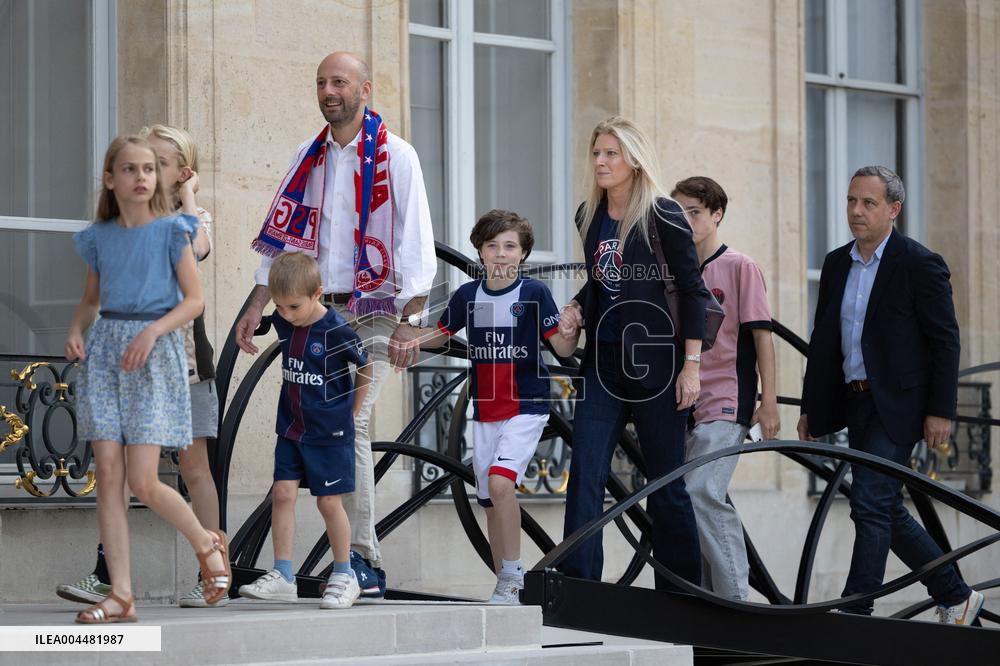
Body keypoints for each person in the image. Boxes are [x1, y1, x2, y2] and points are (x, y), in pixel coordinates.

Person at [236, 52, 436, 597]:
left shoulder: (397, 156)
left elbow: (415, 244)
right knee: (311, 423)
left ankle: (361, 563)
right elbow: (284, 243)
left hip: (373, 310)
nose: (329, 90)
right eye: (322, 81)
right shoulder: (310, 155)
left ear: (364, 89)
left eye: (339, 81)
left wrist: (410, 322)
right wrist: (258, 303)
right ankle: (299, 565)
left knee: (354, 424)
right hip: (314, 312)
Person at [797, 165, 984, 624]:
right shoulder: (838, 263)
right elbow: (823, 342)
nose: (856, 212)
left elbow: (945, 341)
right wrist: (811, 410)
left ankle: (856, 607)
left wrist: (941, 410)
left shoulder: (919, 263)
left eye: (868, 203)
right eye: (851, 201)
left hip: (900, 406)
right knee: (882, 505)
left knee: (871, 502)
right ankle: (957, 597)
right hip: (855, 402)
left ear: (893, 209)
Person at [56, 124, 225, 609]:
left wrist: (152, 331)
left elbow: (194, 301)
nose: (141, 177)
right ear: (110, 179)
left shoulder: (175, 230)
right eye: (130, 169)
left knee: (143, 481)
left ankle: (205, 543)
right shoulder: (98, 238)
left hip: (155, 354)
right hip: (106, 355)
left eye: (149, 169)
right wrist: (74, 329)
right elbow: (91, 300)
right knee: (107, 475)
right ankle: (121, 594)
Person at [391, 210, 578, 603]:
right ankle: (504, 582)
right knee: (491, 501)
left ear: (523, 253)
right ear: (479, 251)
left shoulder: (534, 294)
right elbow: (441, 336)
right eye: (492, 245)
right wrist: (406, 336)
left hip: (526, 405)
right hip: (487, 408)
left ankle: (514, 575)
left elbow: (560, 348)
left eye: (510, 246)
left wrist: (569, 332)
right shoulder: (466, 295)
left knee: (499, 484)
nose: (501, 253)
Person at [558, 116, 710, 589]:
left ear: (634, 160)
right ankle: (581, 587)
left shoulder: (663, 214)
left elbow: (693, 292)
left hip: (658, 367)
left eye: (612, 154)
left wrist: (691, 367)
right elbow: (605, 285)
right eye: (597, 153)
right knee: (584, 473)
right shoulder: (589, 214)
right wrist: (576, 306)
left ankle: (683, 593)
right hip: (602, 366)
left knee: (665, 484)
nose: (601, 162)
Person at [237, 253, 372, 609]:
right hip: (292, 429)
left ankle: (344, 574)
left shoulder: (336, 329)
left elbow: (366, 366)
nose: (286, 314)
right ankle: (283, 573)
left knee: (329, 502)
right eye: (279, 307)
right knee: (282, 494)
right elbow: (275, 317)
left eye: (294, 306)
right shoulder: (285, 322)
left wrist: (354, 411)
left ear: (318, 294)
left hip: (329, 435)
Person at [671, 176, 779, 600]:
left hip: (726, 401)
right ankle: (703, 602)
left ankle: (736, 600)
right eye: (678, 212)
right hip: (681, 405)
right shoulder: (675, 270)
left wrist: (767, 401)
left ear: (717, 214)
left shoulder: (740, 267)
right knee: (684, 501)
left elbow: (762, 338)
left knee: (702, 489)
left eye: (694, 212)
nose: (686, 220)